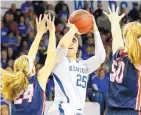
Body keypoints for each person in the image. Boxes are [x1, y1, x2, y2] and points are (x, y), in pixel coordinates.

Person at [48, 16, 106, 115]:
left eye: (74, 41)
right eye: (69, 41)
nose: (70, 43)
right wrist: (73, 29)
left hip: (78, 111)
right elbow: (62, 46)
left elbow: (100, 57)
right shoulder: (59, 61)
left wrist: (95, 31)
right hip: (62, 110)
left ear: (77, 48)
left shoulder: (84, 65)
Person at [1, 14, 56, 115]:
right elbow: (51, 58)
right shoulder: (38, 81)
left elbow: (29, 60)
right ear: (33, 69)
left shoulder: (13, 84)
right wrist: (52, 32)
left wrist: (39, 33)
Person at [103, 5, 141, 115]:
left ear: (125, 38)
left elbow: (116, 35)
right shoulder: (137, 59)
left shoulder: (118, 53)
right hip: (131, 110)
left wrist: (114, 22)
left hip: (110, 111)